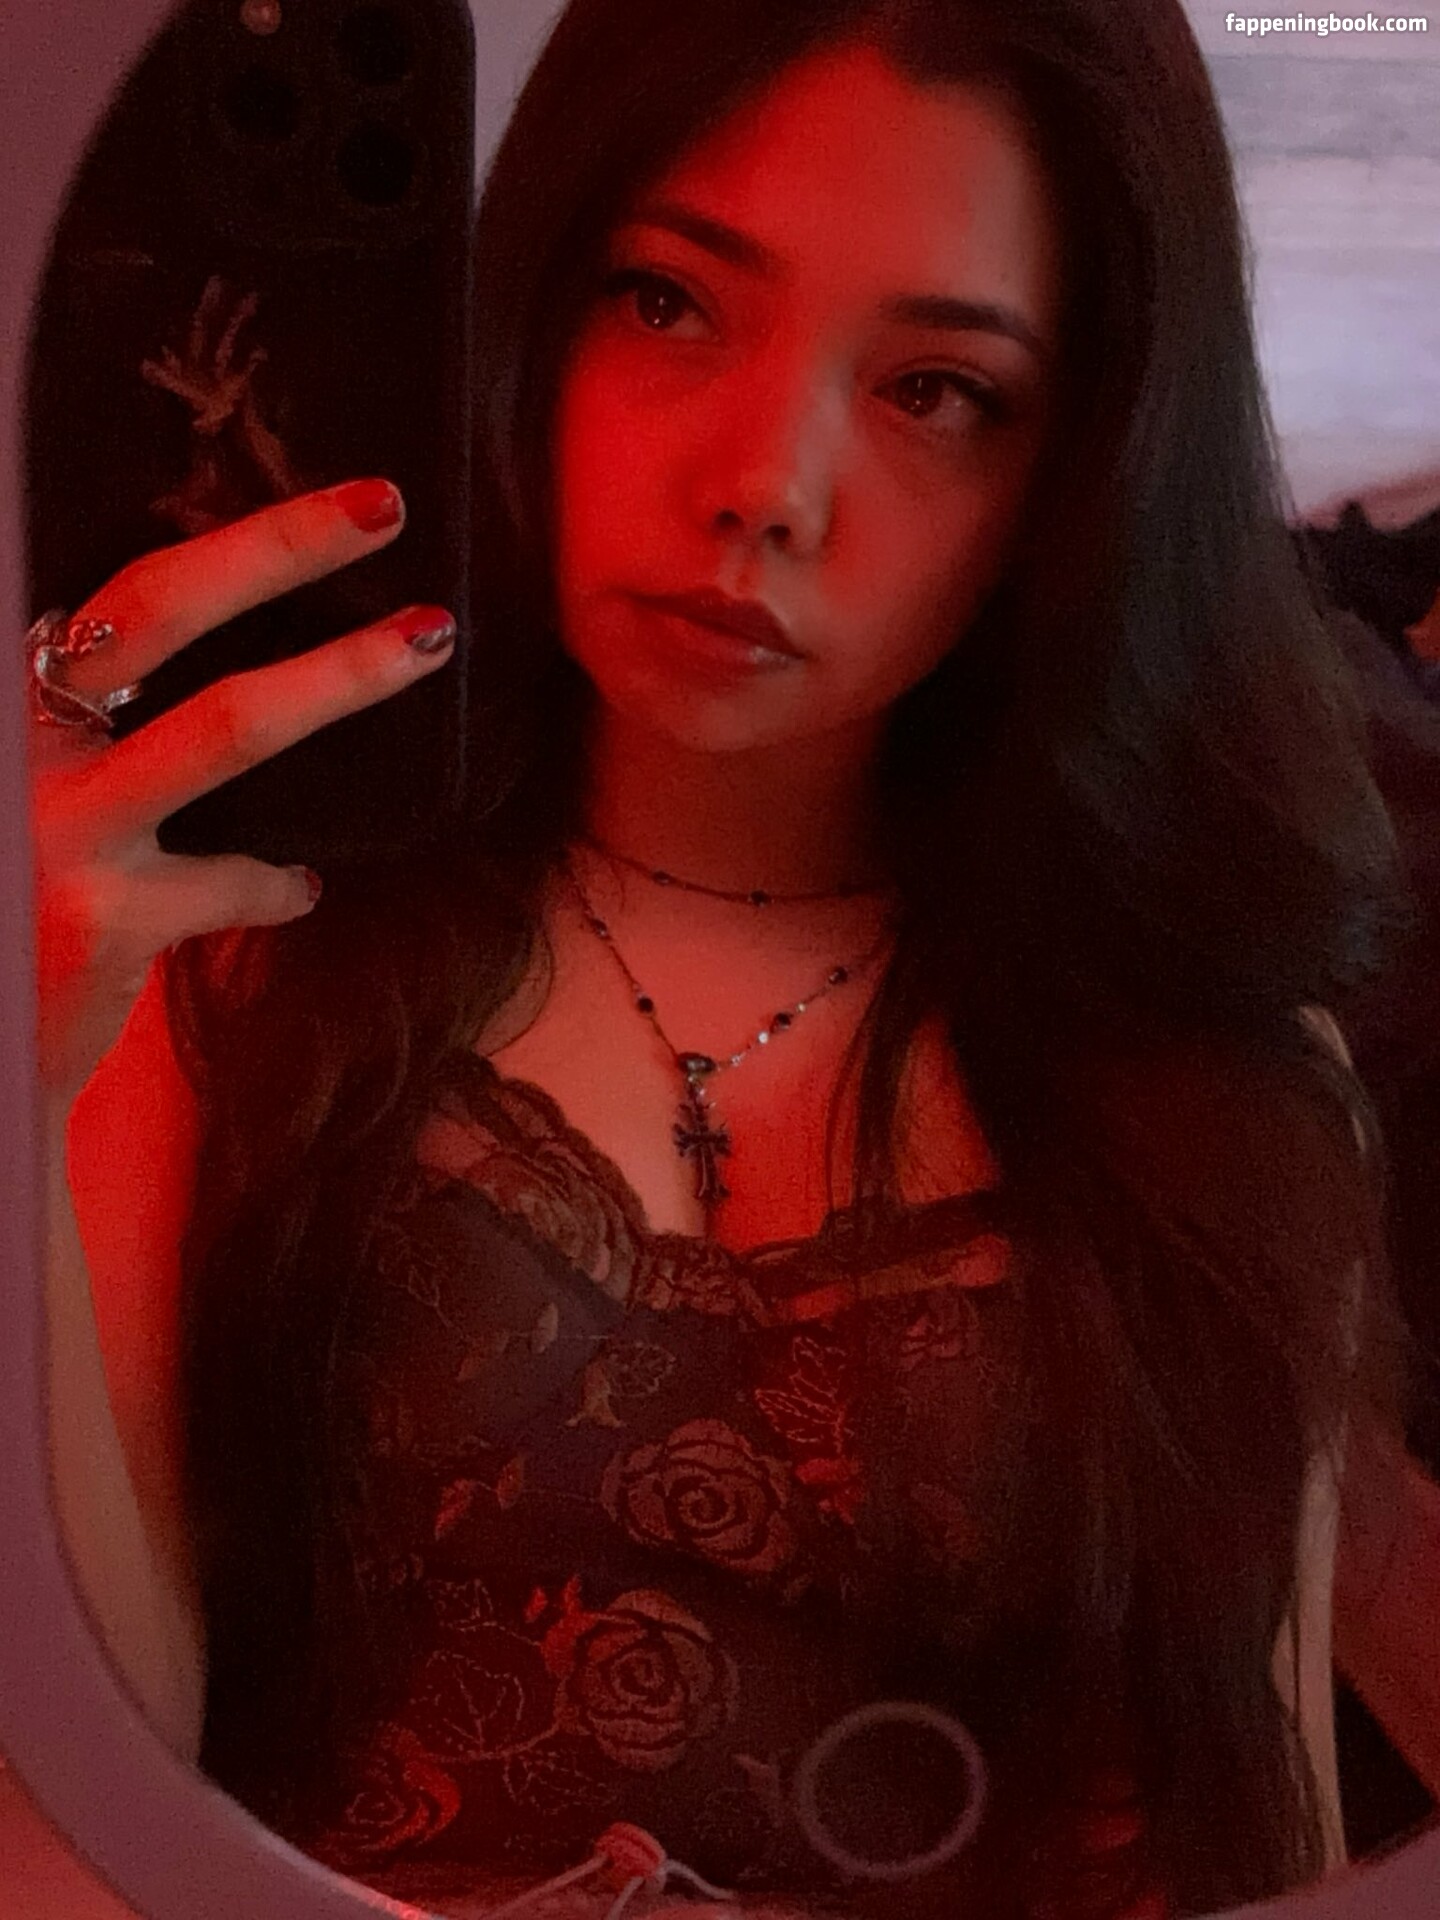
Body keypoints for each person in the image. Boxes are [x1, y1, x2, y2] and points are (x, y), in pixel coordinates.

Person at [29, 1, 1414, 1916]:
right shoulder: (225, 950)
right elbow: (92, 1794)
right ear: (529, 303)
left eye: (938, 389)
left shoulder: (1215, 1076)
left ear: (1076, 470)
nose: (766, 481)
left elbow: (1249, 1818)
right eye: (669, 301)